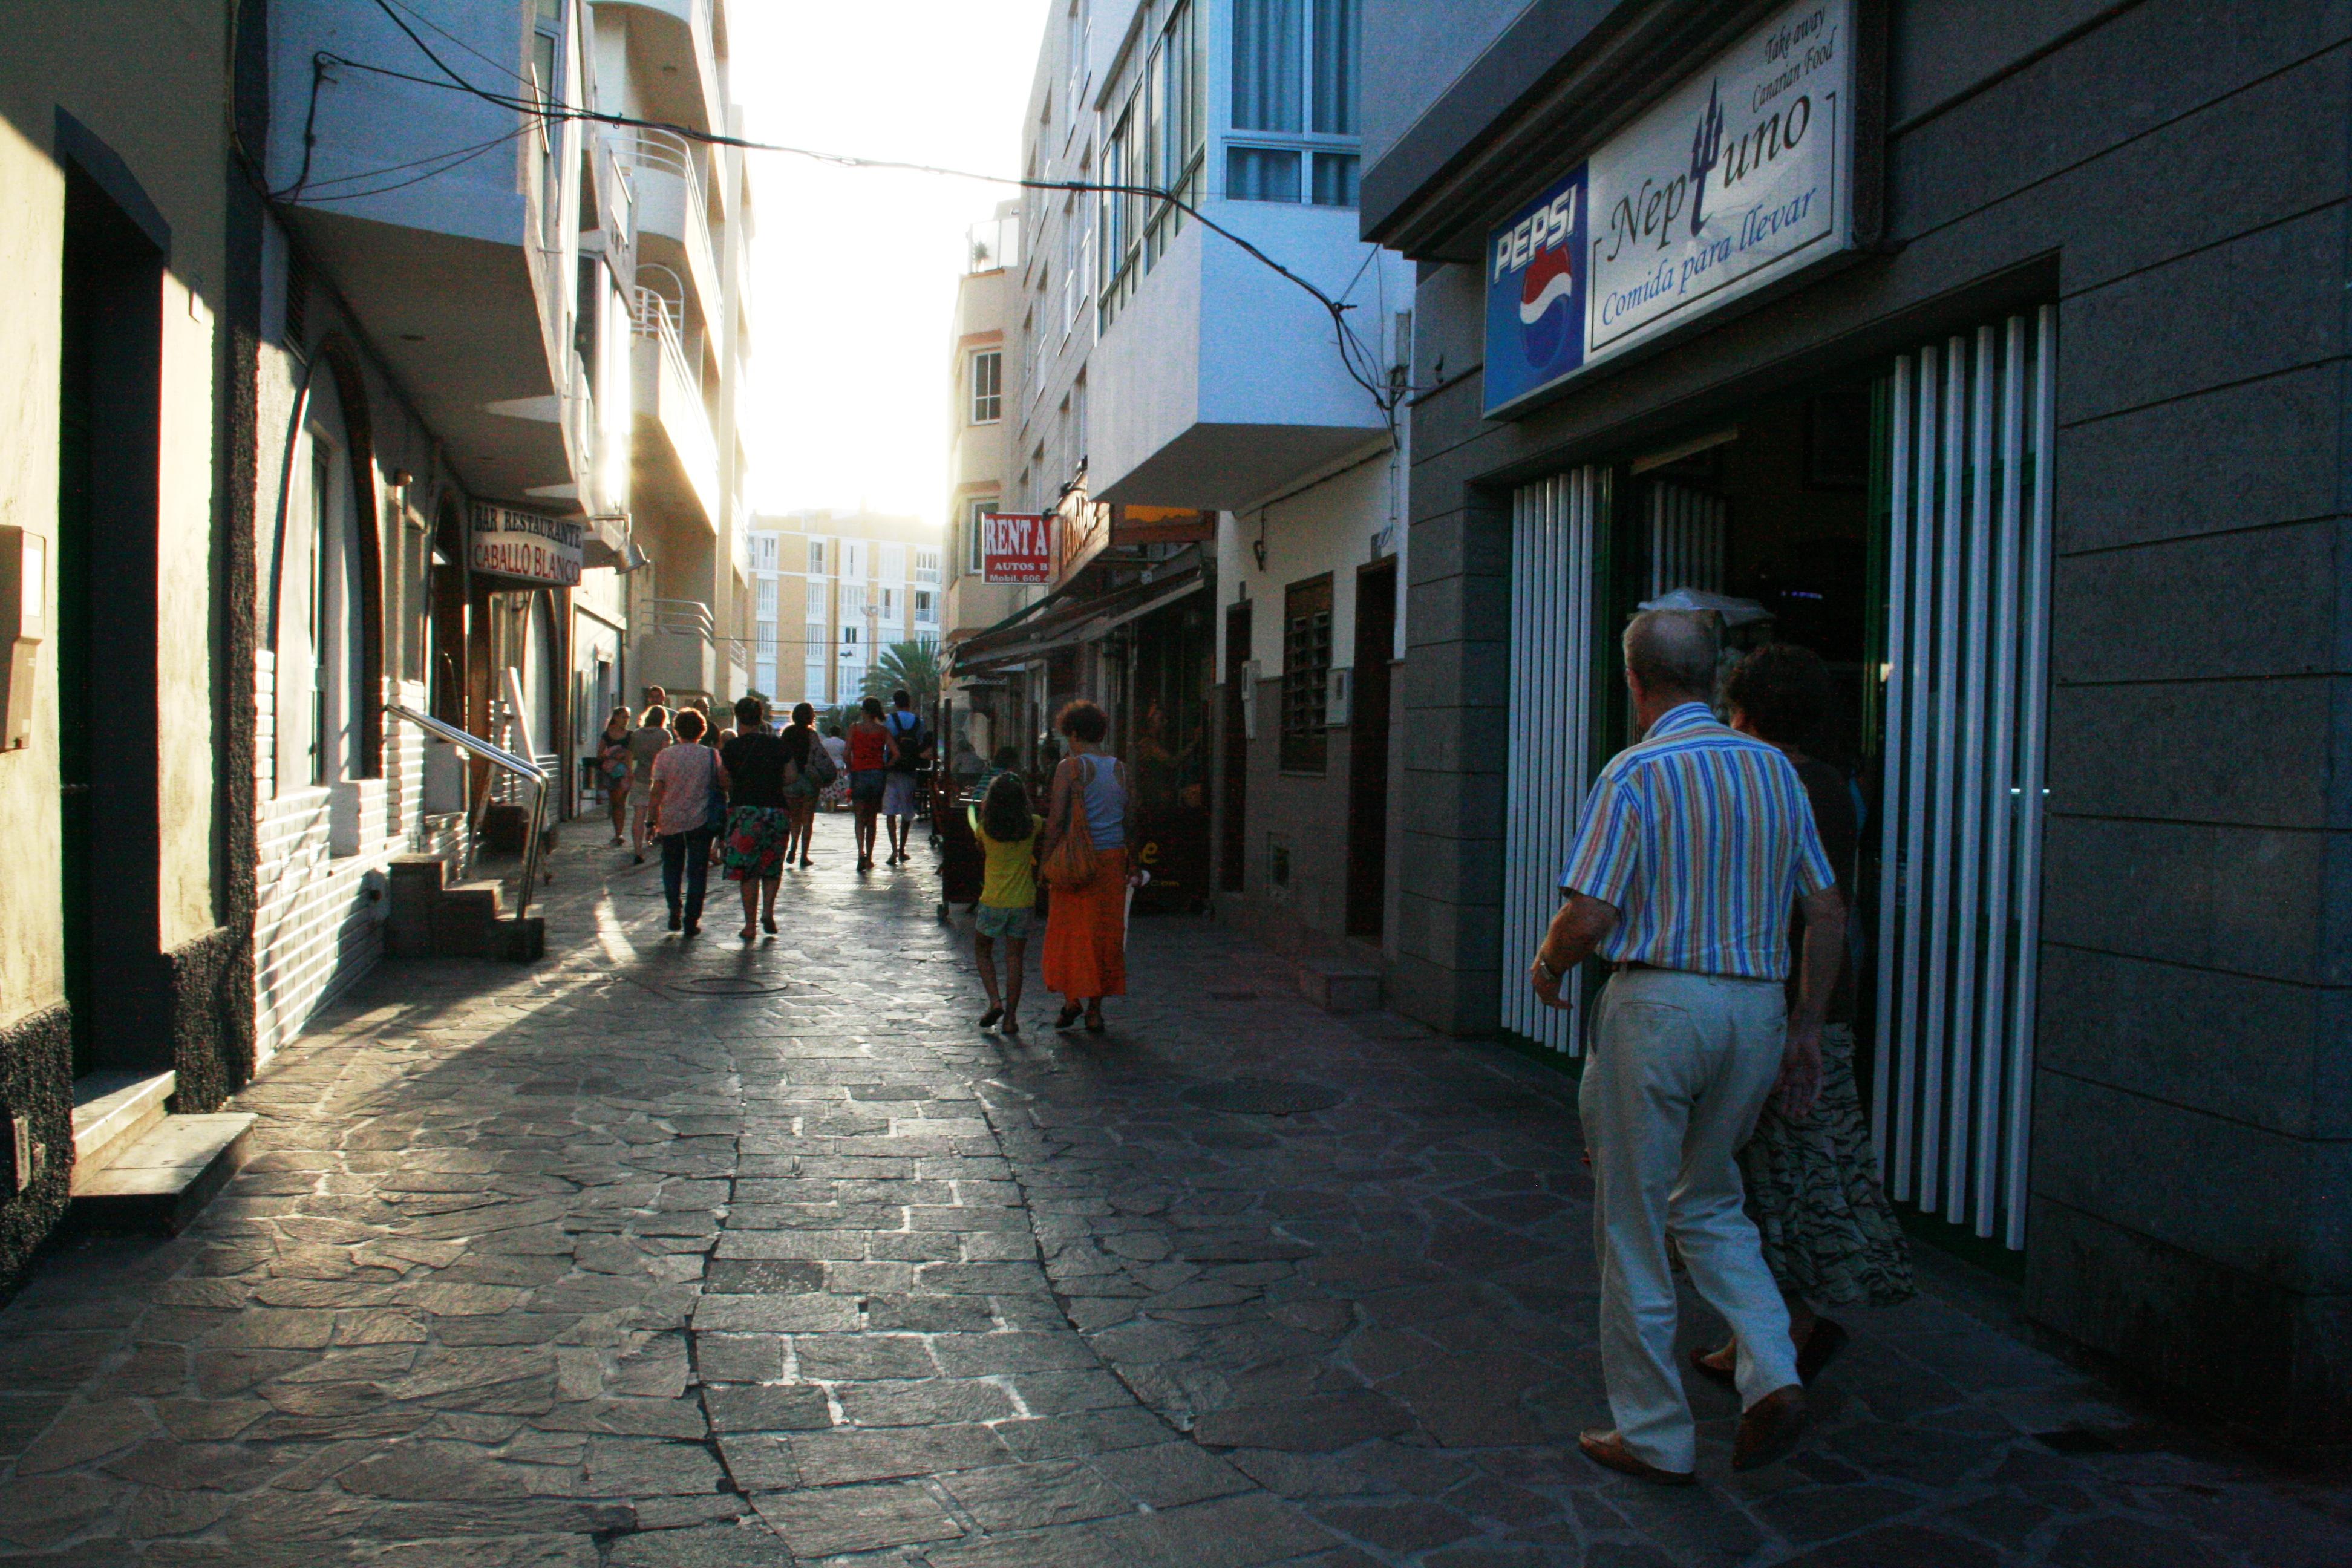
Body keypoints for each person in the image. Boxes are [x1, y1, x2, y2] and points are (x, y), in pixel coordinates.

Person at [1527, 609, 1842, 1486]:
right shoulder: (1777, 771)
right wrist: (1807, 1027)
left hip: (1660, 1005)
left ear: (1634, 683)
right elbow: (1826, 909)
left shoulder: (1635, 771)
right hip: (1755, 1012)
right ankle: (1773, 1371)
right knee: (1708, 1200)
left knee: (1631, 1222)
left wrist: (1550, 964)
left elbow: (1589, 912)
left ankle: (1655, 1433)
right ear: (1713, 675)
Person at [1691, 644, 1915, 1388]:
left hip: (1789, 1005)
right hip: (1817, 1004)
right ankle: (1761, 1334)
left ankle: (1792, 1329)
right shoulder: (1836, 785)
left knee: (1773, 1176)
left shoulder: (1773, 784)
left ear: (1742, 712)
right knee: (1789, 1173)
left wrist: (1804, 1025)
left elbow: (1817, 910)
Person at [1040, 699, 1137, 1034]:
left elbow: (1055, 822)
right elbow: (1129, 819)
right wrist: (1133, 862)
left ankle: (1071, 1001)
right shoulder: (1121, 769)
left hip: (1076, 862)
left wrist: (1044, 860)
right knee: (1105, 935)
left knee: (1070, 932)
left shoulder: (1070, 768)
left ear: (1076, 733)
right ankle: (1095, 1011)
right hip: (1112, 862)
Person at [645, 706, 728, 937]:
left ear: (676, 729)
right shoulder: (711, 755)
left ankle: (674, 907)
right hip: (701, 820)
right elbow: (723, 784)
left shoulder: (665, 755)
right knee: (697, 870)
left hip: (670, 819)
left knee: (671, 867)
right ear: (702, 730)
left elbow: (657, 790)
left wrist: (651, 821)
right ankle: (692, 918)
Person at [969, 771, 1037, 1033]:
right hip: (1023, 901)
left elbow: (980, 845)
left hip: (993, 900)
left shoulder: (986, 829)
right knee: (1014, 959)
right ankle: (1011, 1019)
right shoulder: (1033, 825)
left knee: (983, 951)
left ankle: (995, 1001)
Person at [720, 696, 792, 940]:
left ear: (738, 718)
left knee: (748, 870)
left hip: (745, 812)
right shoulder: (777, 745)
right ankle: (768, 911)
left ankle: (749, 925)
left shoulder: (731, 748)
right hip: (776, 809)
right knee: (772, 865)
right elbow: (792, 775)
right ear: (761, 717)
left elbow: (723, 780)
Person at [845, 697, 893, 871]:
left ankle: (860, 853)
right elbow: (896, 754)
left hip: (859, 773)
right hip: (877, 775)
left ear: (864, 711)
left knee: (859, 817)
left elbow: (846, 752)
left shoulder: (854, 729)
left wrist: (851, 768)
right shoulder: (883, 731)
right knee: (872, 818)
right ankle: (870, 857)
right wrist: (885, 767)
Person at [880, 688, 927, 865]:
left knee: (891, 811)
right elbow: (921, 743)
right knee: (907, 810)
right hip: (909, 770)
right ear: (909, 702)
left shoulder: (889, 721)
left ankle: (893, 850)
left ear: (895, 702)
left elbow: (884, 743)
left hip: (891, 768)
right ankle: (902, 849)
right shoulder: (918, 722)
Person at [626, 704, 671, 864]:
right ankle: (661, 847)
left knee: (639, 815)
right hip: (659, 779)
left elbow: (630, 756)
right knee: (660, 812)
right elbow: (665, 756)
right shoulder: (664, 734)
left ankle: (638, 850)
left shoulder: (636, 735)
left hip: (640, 777)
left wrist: (629, 774)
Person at [782, 702, 825, 867]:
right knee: (808, 819)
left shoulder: (787, 733)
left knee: (794, 819)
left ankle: (792, 848)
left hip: (791, 781)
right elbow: (818, 757)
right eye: (812, 713)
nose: (814, 716)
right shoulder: (812, 735)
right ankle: (804, 855)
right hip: (809, 780)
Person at [596, 707, 633, 846]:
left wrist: (629, 771)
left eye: (628, 717)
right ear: (616, 718)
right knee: (615, 803)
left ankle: (619, 833)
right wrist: (612, 754)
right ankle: (618, 833)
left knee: (621, 803)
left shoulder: (630, 735)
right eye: (624, 717)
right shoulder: (607, 735)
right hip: (611, 772)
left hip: (624, 772)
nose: (626, 720)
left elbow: (631, 754)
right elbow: (600, 754)